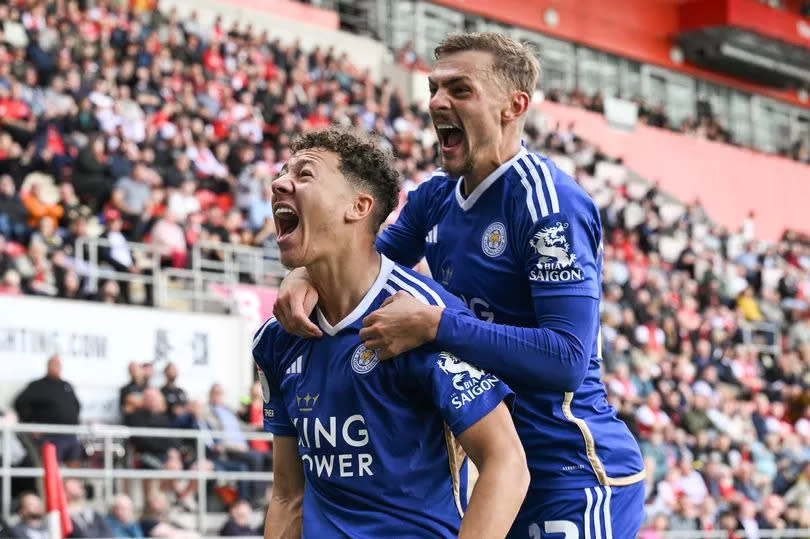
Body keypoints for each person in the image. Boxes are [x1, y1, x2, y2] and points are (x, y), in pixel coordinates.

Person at [273, 33, 646, 538]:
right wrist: (301, 272)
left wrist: (438, 325)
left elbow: (566, 359)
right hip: (492, 469)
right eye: (433, 88)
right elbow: (358, 252)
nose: (436, 103)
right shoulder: (437, 196)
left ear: (514, 106)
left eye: (460, 89)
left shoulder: (548, 204)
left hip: (571, 469)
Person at [255, 127, 528, 538]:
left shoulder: (420, 318)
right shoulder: (275, 340)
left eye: (305, 174)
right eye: (282, 172)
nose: (279, 183)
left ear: (358, 206)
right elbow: (287, 496)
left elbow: (506, 463)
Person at [13, 355, 83, 464]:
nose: (56, 368)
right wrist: (31, 424)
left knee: (74, 465)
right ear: (48, 366)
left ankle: (70, 481)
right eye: (54, 365)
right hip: (50, 435)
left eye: (58, 365)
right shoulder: (37, 385)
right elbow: (20, 403)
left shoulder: (66, 385)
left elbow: (77, 406)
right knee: (52, 469)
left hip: (70, 434)